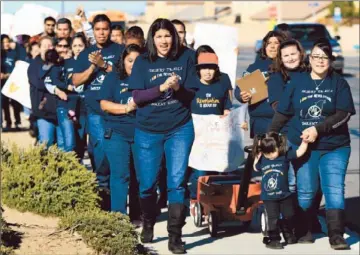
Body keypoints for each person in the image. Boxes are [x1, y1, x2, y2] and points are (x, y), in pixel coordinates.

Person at [269, 38, 356, 249]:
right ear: (310, 57)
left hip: (335, 146)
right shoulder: (297, 82)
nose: (320, 61)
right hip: (303, 146)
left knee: (334, 189)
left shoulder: (339, 83)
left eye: (325, 57)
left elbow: (343, 114)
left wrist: (318, 129)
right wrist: (270, 135)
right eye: (316, 56)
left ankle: (336, 235)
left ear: (331, 60)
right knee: (306, 192)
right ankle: (304, 229)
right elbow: (284, 112)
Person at [129, 18, 196, 254]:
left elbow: (192, 96)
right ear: (152, 39)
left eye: (167, 35)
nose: (164, 40)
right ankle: (148, 220)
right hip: (147, 130)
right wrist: (161, 88)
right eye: (159, 36)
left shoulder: (187, 57)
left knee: (176, 183)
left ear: (174, 37)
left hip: (180, 127)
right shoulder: (143, 62)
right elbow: (136, 97)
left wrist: (178, 88)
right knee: (147, 185)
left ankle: (175, 236)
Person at [72, 14, 124, 209]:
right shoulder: (86, 53)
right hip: (95, 112)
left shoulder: (119, 50)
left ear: (110, 30)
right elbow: (76, 80)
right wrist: (93, 68)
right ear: (93, 31)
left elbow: (126, 75)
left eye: (105, 29)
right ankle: (103, 199)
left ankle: (118, 202)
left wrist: (105, 66)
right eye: (98, 29)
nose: (101, 33)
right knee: (100, 153)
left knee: (118, 155)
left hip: (118, 109)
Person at [99, 44, 141, 224]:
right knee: (120, 175)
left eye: (137, 61)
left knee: (140, 176)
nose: (133, 64)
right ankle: (119, 217)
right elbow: (104, 104)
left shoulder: (148, 79)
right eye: (130, 60)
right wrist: (126, 108)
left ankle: (137, 215)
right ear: (123, 61)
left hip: (142, 133)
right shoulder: (113, 78)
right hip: (117, 132)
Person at [188, 45, 233, 217]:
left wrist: (227, 114)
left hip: (217, 133)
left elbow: (228, 105)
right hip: (197, 135)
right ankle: (196, 199)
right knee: (199, 170)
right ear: (198, 70)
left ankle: (217, 201)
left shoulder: (221, 83)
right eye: (204, 68)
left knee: (219, 168)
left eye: (211, 68)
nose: (208, 72)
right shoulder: (191, 84)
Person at [253, 132, 308, 249]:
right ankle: (274, 240)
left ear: (279, 146)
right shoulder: (263, 159)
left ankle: (288, 233)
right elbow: (255, 167)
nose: (270, 155)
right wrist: (258, 155)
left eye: (273, 151)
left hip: (285, 195)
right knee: (273, 219)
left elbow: (299, 153)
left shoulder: (285, 155)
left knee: (290, 215)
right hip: (269, 198)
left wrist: (305, 142)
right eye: (267, 153)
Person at [234, 31, 286, 139]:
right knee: (262, 154)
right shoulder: (255, 66)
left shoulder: (289, 66)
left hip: (284, 122)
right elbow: (239, 89)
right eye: (268, 43)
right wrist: (241, 95)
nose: (272, 46)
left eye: (276, 43)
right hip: (260, 122)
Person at [28, 37, 63, 148]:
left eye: (50, 46)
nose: (48, 48)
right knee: (46, 143)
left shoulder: (59, 63)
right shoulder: (34, 65)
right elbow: (38, 84)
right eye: (45, 46)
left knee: (63, 145)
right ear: (39, 48)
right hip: (43, 112)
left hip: (59, 110)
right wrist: (54, 88)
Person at [1, 34, 23, 131]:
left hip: (13, 82)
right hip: (3, 84)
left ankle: (17, 122)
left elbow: (18, 67)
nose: (6, 44)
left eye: (7, 42)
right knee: (5, 104)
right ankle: (8, 123)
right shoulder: (1, 55)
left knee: (15, 103)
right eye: (3, 42)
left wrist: (7, 75)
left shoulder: (14, 53)